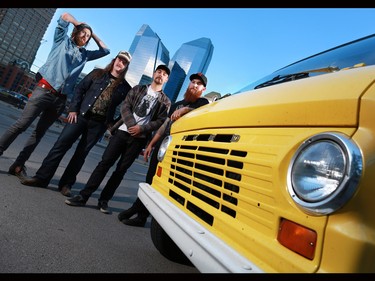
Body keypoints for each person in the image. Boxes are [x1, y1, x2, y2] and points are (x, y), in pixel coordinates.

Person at [0, 12, 110, 180]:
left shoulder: (85, 55)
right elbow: (65, 16)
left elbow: (106, 50)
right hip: (43, 91)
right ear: (76, 32)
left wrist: (91, 32)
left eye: (87, 36)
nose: (85, 37)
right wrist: (78, 24)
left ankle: (18, 165)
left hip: (60, 99)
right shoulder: (62, 40)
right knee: (21, 125)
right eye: (83, 33)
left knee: (38, 133)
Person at [21, 51, 132, 197]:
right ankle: (42, 178)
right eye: (120, 60)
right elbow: (79, 89)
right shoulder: (97, 74)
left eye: (124, 63)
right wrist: (73, 109)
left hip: (98, 124)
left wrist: (112, 124)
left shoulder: (126, 88)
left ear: (126, 67)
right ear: (115, 60)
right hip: (79, 116)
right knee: (60, 145)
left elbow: (127, 108)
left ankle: (66, 185)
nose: (121, 63)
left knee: (81, 155)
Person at [64, 65, 171, 214]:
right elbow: (125, 106)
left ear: (167, 79)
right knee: (104, 164)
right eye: (159, 71)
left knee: (120, 170)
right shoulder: (138, 89)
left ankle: (104, 200)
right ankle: (84, 196)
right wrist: (132, 124)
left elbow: (160, 121)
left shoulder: (165, 101)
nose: (161, 75)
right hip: (122, 133)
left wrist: (142, 129)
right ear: (154, 74)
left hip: (138, 139)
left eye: (165, 74)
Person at [118, 72, 209, 227]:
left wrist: (185, 110)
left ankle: (139, 212)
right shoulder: (176, 104)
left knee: (161, 183)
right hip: (163, 146)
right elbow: (163, 126)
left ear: (203, 89)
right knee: (150, 179)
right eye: (192, 82)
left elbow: (202, 114)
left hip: (179, 150)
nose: (194, 85)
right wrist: (151, 144)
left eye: (198, 84)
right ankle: (140, 214)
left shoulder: (203, 103)